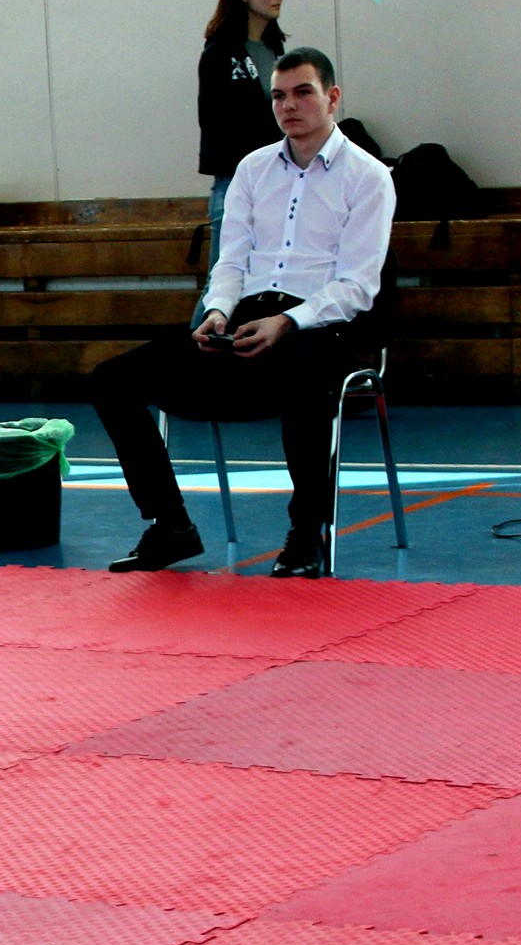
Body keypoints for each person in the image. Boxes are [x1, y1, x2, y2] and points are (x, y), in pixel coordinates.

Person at [91, 48, 396, 581]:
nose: (288, 105)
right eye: (278, 95)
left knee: (304, 372)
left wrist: (289, 321)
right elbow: (230, 262)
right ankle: (171, 525)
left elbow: (358, 286)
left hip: (324, 324)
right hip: (245, 319)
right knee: (112, 379)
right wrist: (215, 313)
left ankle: (307, 532)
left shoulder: (369, 176)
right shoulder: (252, 170)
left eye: (302, 92)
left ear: (332, 98)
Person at [197, 0, 286, 282]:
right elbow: (213, 122)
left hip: (275, 182)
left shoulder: (275, 50)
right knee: (223, 283)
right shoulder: (221, 51)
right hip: (237, 181)